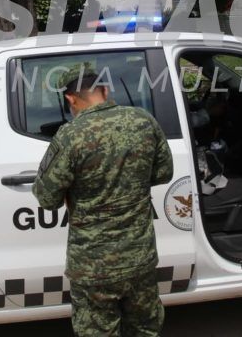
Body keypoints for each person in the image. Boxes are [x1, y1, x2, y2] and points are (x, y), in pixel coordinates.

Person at [32, 64, 174, 336]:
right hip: (139, 258)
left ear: (70, 99)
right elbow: (163, 172)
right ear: (106, 90)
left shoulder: (71, 135)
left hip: (93, 267)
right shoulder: (143, 120)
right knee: (145, 329)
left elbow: (46, 197)